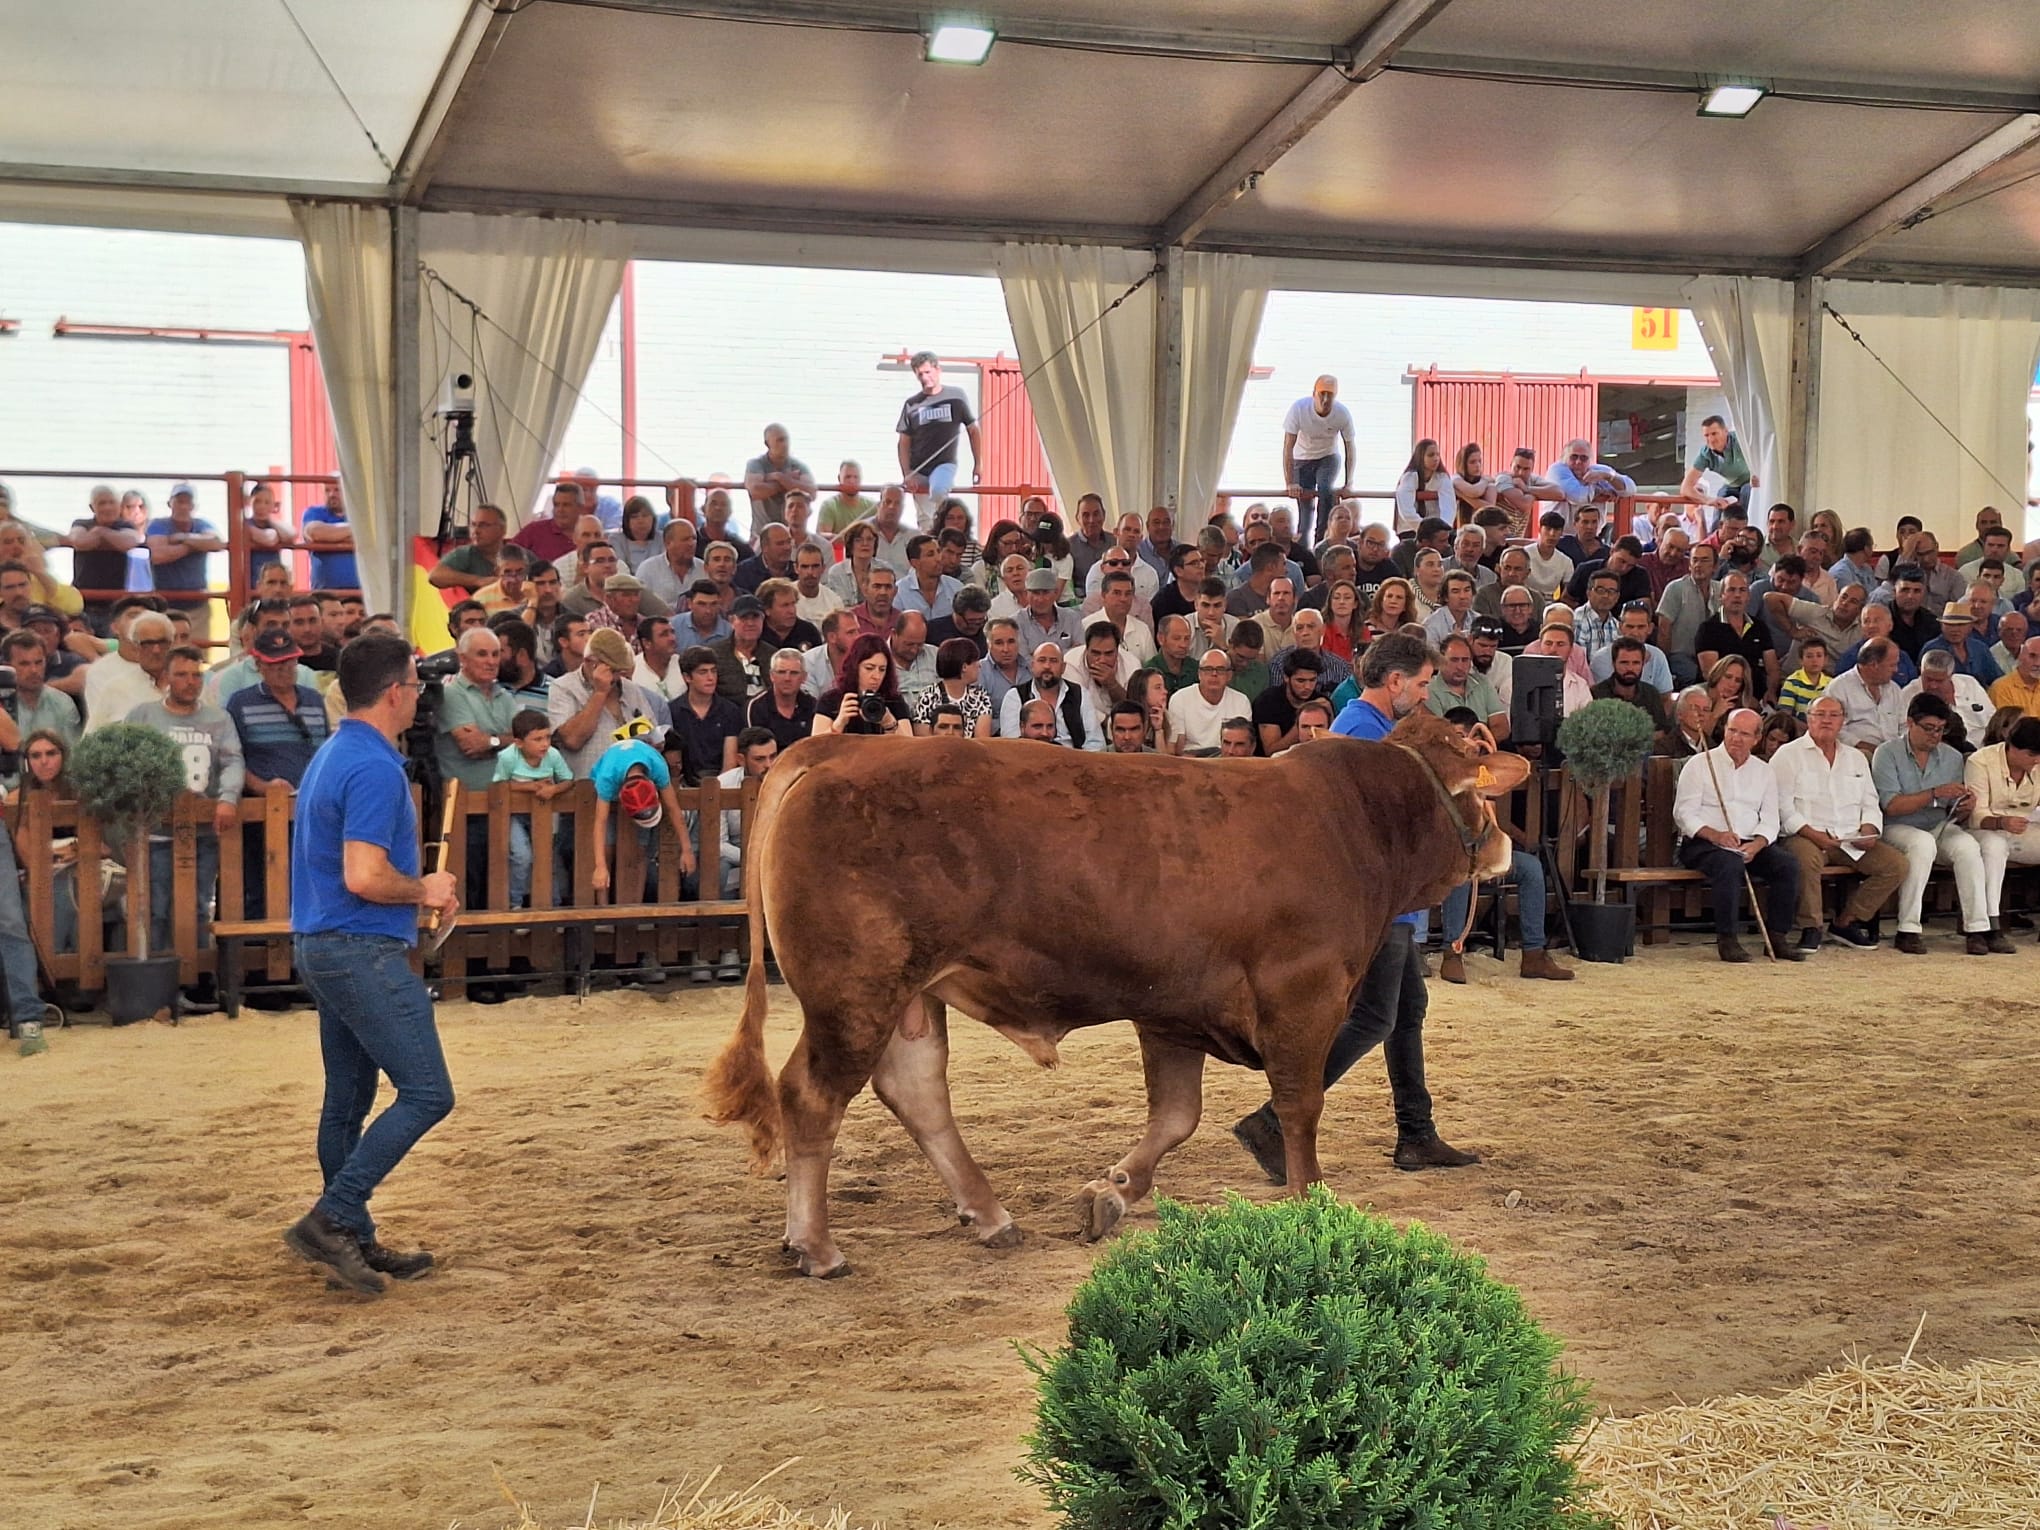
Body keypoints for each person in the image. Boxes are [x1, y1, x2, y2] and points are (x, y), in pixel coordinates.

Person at [1235, 632, 1478, 1182]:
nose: (1424, 697)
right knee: (1375, 1017)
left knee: (1405, 1016)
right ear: (1394, 681)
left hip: (1391, 903)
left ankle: (1416, 1133)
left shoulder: (1362, 729)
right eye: (1419, 685)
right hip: (1378, 904)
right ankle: (1274, 1119)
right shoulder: (1368, 736)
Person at [282, 632, 460, 1296]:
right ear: (395, 693)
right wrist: (425, 891)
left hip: (326, 943)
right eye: (415, 685)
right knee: (427, 1092)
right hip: (359, 947)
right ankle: (333, 1218)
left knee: (347, 1101)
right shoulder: (375, 767)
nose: (418, 696)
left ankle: (347, 1238)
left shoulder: (335, 753)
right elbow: (364, 874)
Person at [1769, 695, 1909, 952]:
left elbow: (1870, 800)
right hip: (1805, 835)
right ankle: (1812, 927)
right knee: (1804, 859)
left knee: (1896, 865)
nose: (1826, 720)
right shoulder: (1787, 756)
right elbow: (1782, 807)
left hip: (1849, 837)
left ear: (1843, 721)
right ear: (1808, 719)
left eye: (1833, 715)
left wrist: (1869, 829)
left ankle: (1846, 922)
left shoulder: (1856, 758)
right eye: (1820, 714)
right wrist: (1812, 833)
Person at [1870, 693, 2001, 955]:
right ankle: (1908, 928)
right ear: (1910, 723)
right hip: (1897, 826)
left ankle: (1977, 928)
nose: (1935, 735)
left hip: (1940, 824)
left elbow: (1954, 811)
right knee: (1921, 844)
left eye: (1940, 730)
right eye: (1928, 728)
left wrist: (1965, 806)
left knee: (1967, 846)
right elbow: (1891, 805)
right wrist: (1934, 793)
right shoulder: (1887, 753)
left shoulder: (1952, 757)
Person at [1673, 707, 1805, 963]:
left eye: (1744, 734)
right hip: (1704, 842)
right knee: (1729, 864)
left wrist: (1758, 843)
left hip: (1748, 842)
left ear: (1756, 739)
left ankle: (1777, 937)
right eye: (1732, 730)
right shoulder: (1701, 764)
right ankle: (1728, 939)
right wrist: (1716, 835)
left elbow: (1770, 818)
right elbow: (1684, 813)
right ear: (1724, 730)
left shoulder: (1764, 771)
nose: (1736, 738)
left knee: (1787, 865)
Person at [1966, 714, 2040, 938]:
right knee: (1994, 847)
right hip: (1985, 829)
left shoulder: (2038, 764)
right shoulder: (1980, 761)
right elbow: (1976, 815)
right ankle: (1989, 923)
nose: (2036, 760)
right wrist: (2001, 822)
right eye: (2031, 754)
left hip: (2025, 828)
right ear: (2012, 747)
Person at [492, 709, 573, 910]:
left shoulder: (552, 755)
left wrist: (553, 789)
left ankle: (552, 905)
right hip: (515, 816)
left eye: (547, 737)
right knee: (521, 856)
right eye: (537, 739)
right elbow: (499, 786)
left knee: (547, 858)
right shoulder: (507, 757)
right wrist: (529, 786)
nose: (544, 744)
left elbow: (568, 780)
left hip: (544, 814)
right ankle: (515, 903)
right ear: (519, 743)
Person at [896, 351, 980, 512]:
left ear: (938, 370)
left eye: (928, 372)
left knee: (939, 491)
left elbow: (973, 431)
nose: (925, 377)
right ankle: (931, 532)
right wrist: (907, 473)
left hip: (944, 464)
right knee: (924, 517)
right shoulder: (911, 404)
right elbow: (903, 442)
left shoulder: (956, 397)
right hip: (918, 468)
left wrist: (978, 464)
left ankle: (942, 527)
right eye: (920, 374)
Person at [1281, 374, 1355, 546]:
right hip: (1301, 459)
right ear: (1313, 393)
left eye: (1330, 395)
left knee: (1325, 489)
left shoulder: (1342, 413)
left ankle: (1321, 542)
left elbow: (1350, 448)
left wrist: (1348, 482)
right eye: (1322, 394)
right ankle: (1304, 550)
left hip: (1328, 457)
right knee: (1305, 510)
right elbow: (1287, 447)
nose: (1326, 399)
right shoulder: (1299, 408)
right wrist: (1290, 482)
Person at [667, 645, 743, 785]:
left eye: (713, 671)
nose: (710, 678)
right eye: (703, 672)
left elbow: (730, 762)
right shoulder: (672, 711)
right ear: (687, 677)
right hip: (683, 785)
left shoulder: (730, 711)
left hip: (723, 785)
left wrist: (717, 790)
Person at [815, 633, 912, 737]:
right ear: (855, 668)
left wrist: (889, 724)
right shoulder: (830, 700)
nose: (877, 676)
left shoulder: (893, 700)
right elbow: (814, 747)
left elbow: (910, 748)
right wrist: (839, 723)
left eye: (882, 670)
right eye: (869, 668)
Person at [743, 423, 816, 528]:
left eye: (786, 440)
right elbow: (755, 491)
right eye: (780, 440)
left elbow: (811, 493)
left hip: (791, 535)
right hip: (762, 534)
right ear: (767, 444)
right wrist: (787, 481)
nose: (785, 444)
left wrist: (779, 477)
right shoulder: (756, 464)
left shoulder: (798, 466)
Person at [748, 648, 817, 751]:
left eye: (794, 673)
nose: (787, 678)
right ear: (772, 675)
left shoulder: (813, 705)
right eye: (781, 672)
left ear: (804, 677)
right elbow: (755, 752)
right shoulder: (756, 707)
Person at [816, 460, 874, 537]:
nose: (852, 481)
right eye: (848, 477)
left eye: (856, 477)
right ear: (839, 479)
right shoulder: (829, 505)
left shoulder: (872, 506)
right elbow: (822, 539)